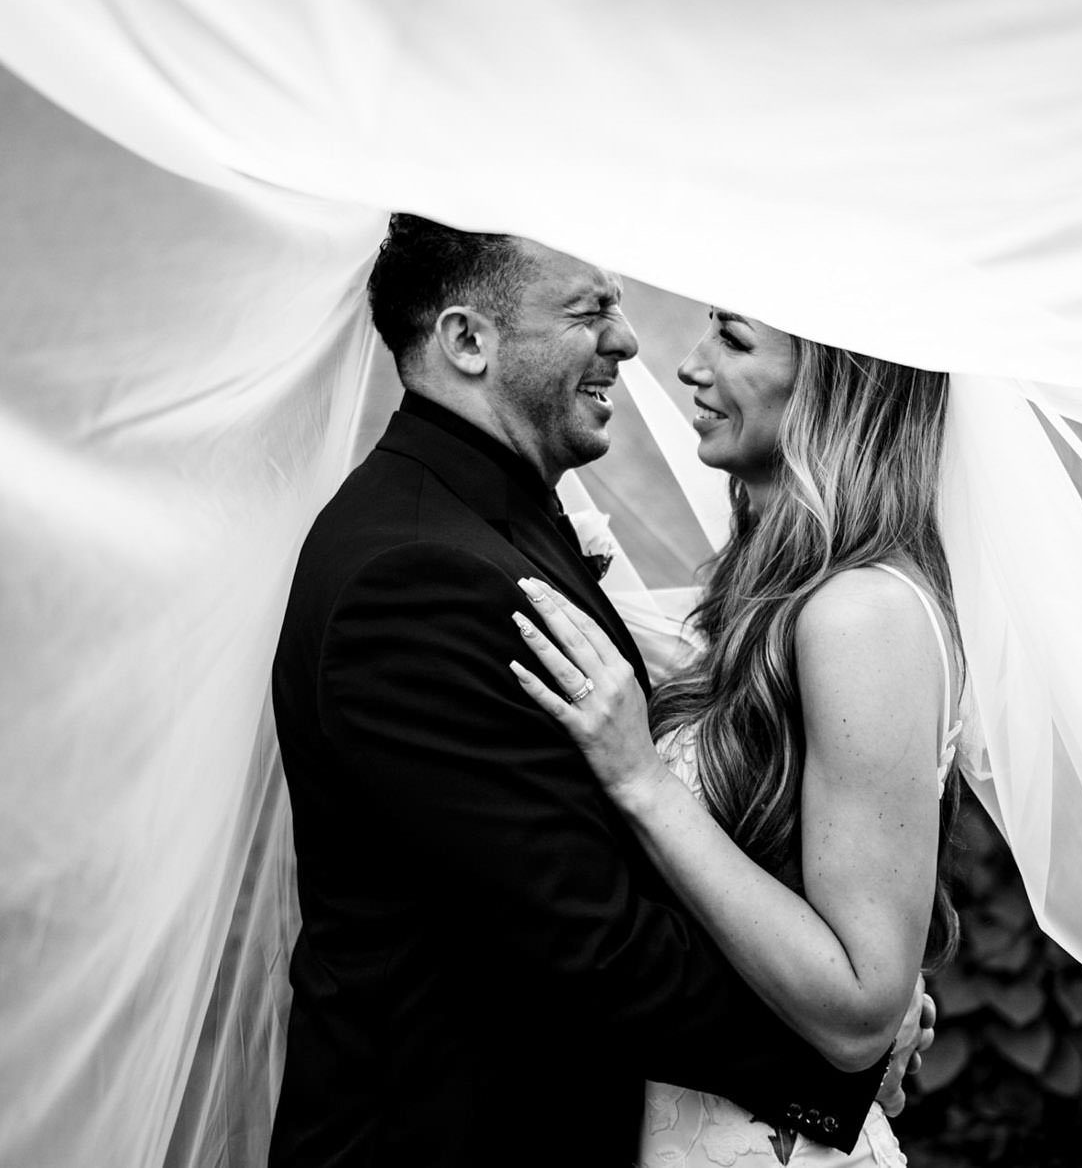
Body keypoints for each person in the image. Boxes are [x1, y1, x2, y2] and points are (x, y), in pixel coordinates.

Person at [268, 216, 924, 1168]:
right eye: (591, 311)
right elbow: (584, 939)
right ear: (466, 341)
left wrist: (844, 986)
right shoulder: (414, 577)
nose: (628, 342)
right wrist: (848, 1043)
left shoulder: (494, 523)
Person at [510, 308, 964, 1167]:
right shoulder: (780, 599)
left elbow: (862, 1007)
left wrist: (643, 782)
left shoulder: (861, 615)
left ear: (833, 384)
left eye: (734, 340)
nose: (689, 366)